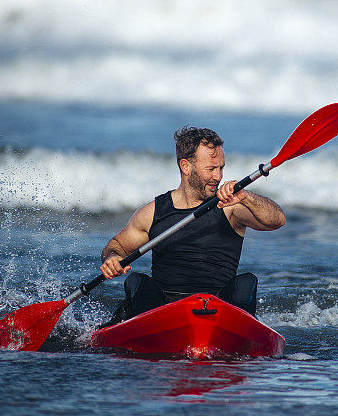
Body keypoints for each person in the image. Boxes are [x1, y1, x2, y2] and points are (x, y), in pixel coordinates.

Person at [100, 126, 285, 323]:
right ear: (186, 166)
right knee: (135, 280)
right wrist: (112, 258)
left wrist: (246, 198)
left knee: (246, 282)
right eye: (211, 169)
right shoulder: (153, 212)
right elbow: (116, 245)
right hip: (164, 311)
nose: (218, 176)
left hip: (219, 309)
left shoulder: (230, 207)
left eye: (221, 168)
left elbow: (277, 220)